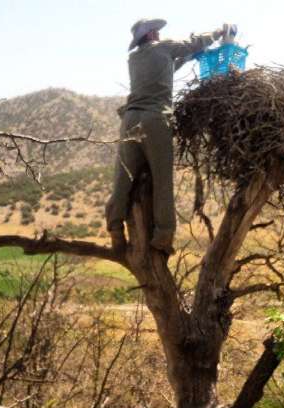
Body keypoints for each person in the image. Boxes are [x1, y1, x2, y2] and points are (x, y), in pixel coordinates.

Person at [105, 18, 230, 255]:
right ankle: (163, 236)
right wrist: (217, 32)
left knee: (123, 178)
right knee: (162, 179)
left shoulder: (135, 58)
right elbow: (193, 42)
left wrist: (187, 57)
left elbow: (165, 68)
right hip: (155, 119)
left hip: (130, 120)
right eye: (157, 32)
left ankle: (114, 228)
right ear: (151, 34)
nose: (160, 35)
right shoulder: (163, 48)